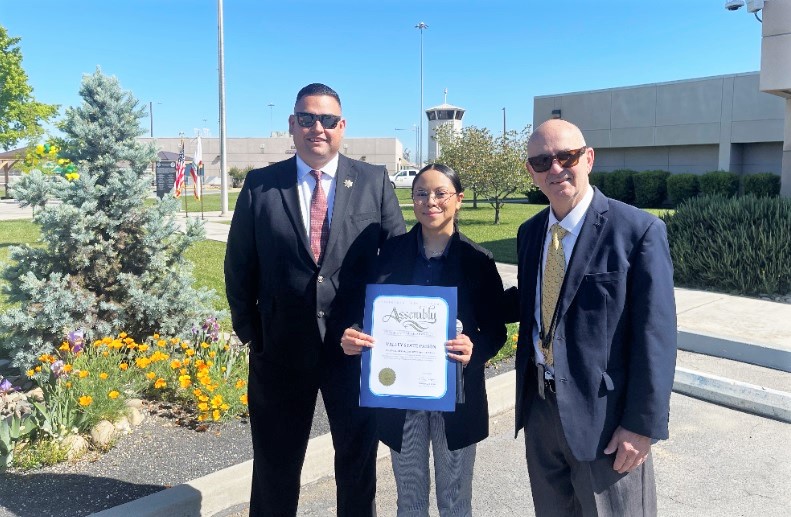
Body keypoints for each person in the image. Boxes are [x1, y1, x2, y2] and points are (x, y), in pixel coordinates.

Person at [224, 83, 405, 516]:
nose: (317, 128)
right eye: (307, 118)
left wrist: (382, 332)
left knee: (357, 466)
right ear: (292, 125)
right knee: (274, 467)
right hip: (279, 351)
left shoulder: (373, 181)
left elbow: (397, 261)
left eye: (327, 120)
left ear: (342, 126)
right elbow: (238, 265)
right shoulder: (260, 185)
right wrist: (252, 333)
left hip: (354, 351)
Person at [505, 119, 677, 516]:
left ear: (589, 159)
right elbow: (533, 307)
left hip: (606, 420)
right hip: (541, 410)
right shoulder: (531, 233)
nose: (556, 168)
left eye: (567, 156)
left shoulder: (637, 230)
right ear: (531, 171)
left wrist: (641, 424)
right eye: (542, 161)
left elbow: (656, 336)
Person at [341, 164, 507, 517]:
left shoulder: (479, 260)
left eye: (440, 193)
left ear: (458, 200)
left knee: (455, 500)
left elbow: (496, 328)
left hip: (457, 392)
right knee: (410, 498)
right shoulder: (390, 254)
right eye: (421, 193)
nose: (430, 201)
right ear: (412, 200)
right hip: (401, 394)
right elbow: (370, 313)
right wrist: (354, 334)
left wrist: (476, 349)